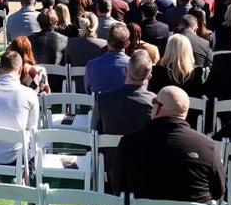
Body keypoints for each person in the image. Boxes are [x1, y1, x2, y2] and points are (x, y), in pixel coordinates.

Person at [92, 50, 156, 193]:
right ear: (149, 77)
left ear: (125, 71)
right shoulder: (154, 102)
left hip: (110, 165)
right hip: (142, 167)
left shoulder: (104, 99)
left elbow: (94, 132)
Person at [0, 51, 40, 167]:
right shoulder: (29, 94)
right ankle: (25, 174)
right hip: (16, 157)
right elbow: (32, 129)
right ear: (20, 70)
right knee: (42, 142)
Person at [148, 33, 207, 101]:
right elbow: (197, 97)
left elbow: (153, 95)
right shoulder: (196, 73)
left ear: (168, 49)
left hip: (163, 107)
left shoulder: (157, 71)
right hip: (188, 107)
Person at [84, 24, 130, 95]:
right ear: (127, 44)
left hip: (99, 101)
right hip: (124, 102)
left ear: (107, 41)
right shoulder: (133, 65)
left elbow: (88, 90)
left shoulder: (92, 65)